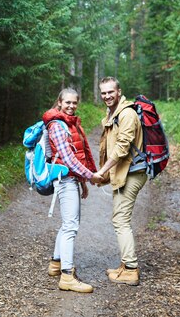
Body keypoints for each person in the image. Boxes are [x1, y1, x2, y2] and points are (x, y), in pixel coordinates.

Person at [42, 88, 103, 293]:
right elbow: (68, 159)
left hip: (70, 180)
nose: (71, 106)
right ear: (59, 102)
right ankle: (67, 276)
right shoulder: (58, 125)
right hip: (65, 180)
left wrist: (83, 182)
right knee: (71, 227)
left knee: (67, 224)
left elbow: (75, 154)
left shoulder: (69, 123)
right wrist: (90, 175)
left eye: (74, 103)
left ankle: (56, 263)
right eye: (67, 102)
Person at [90, 76, 145, 286]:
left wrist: (102, 171)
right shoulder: (113, 113)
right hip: (124, 172)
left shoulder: (127, 114)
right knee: (118, 218)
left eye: (110, 92)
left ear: (119, 91)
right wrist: (104, 176)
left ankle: (131, 269)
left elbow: (122, 148)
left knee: (121, 219)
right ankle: (125, 265)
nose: (107, 96)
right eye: (103, 93)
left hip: (132, 173)